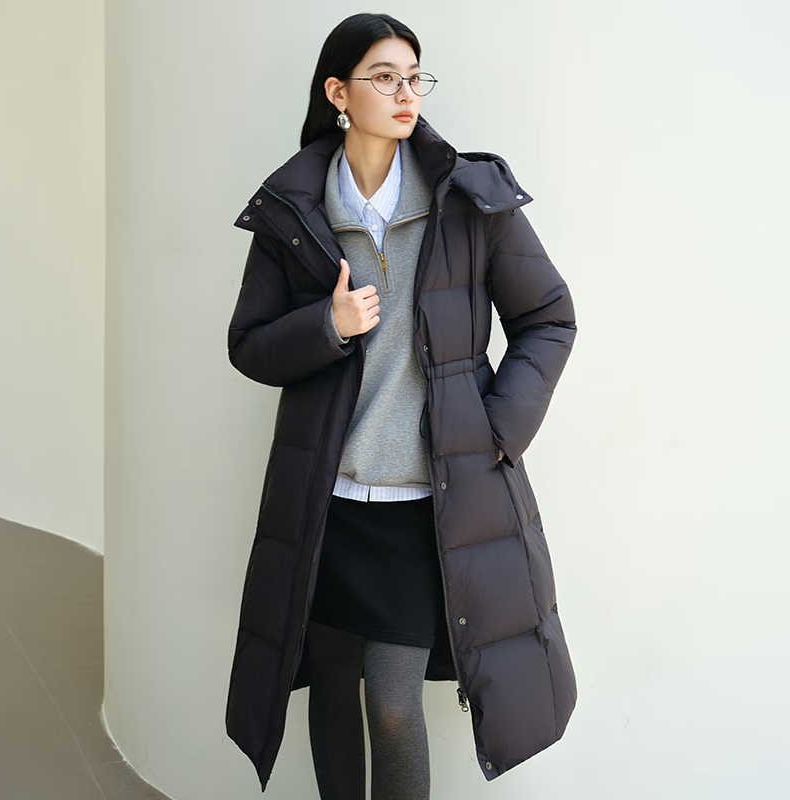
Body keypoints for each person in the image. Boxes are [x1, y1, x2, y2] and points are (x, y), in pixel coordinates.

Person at [225, 12, 578, 799]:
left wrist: (496, 429)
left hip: (427, 504)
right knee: (331, 684)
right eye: (384, 77)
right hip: (328, 501)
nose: (405, 93)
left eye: (414, 77)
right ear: (338, 93)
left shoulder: (469, 201)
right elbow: (248, 345)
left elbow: (549, 317)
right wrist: (327, 326)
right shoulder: (294, 210)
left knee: (390, 701)